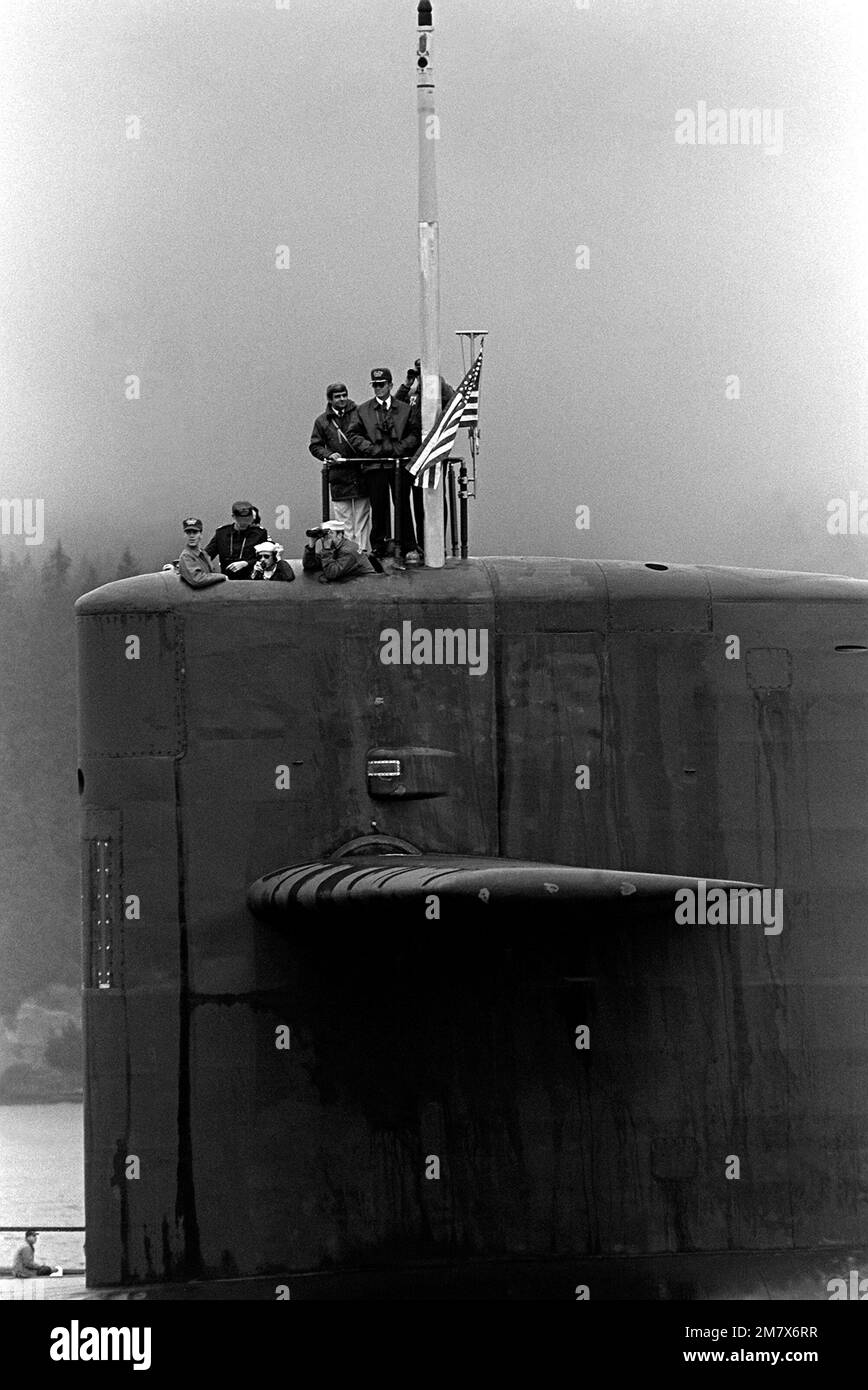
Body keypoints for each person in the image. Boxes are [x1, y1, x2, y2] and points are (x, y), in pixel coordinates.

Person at [348, 368, 420, 563]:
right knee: (378, 506)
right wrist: (372, 450)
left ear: (390, 385)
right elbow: (353, 435)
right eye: (375, 385)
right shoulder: (363, 410)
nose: (378, 389)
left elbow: (415, 433)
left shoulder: (405, 409)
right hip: (375, 466)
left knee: (403, 505)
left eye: (381, 385)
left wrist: (399, 448)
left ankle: (408, 545)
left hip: (398, 466)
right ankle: (379, 545)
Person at [395, 360, 456, 550]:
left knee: (435, 501)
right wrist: (407, 384)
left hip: (433, 454)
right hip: (414, 455)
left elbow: (454, 402)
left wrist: (436, 379)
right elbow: (397, 405)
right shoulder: (413, 393)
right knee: (418, 502)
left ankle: (436, 545)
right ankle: (420, 545)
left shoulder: (440, 389)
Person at [309, 384, 371, 553]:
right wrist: (329, 455)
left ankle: (362, 552)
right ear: (330, 399)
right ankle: (348, 553)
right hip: (339, 475)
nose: (342, 399)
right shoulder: (322, 421)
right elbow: (315, 446)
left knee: (362, 517)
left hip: (360, 471)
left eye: (344, 395)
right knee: (343, 520)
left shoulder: (359, 413)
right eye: (337, 396)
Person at [205, 502, 269, 579]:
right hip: (227, 581)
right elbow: (206, 555)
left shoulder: (259, 534)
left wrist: (246, 563)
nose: (243, 523)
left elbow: (267, 559)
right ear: (233, 516)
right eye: (240, 519)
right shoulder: (222, 533)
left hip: (252, 581)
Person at [302, 520, 377, 582]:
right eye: (325, 535)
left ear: (339, 535)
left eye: (331, 533)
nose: (327, 538)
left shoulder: (348, 551)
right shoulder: (334, 548)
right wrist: (311, 545)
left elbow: (331, 573)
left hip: (367, 585)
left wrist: (327, 549)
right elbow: (309, 565)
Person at [176, 518, 226, 588]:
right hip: (195, 597)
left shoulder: (203, 554)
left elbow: (210, 573)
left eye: (195, 532)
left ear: (201, 535)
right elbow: (197, 579)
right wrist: (222, 577)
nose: (191, 536)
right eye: (188, 533)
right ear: (185, 535)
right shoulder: (186, 556)